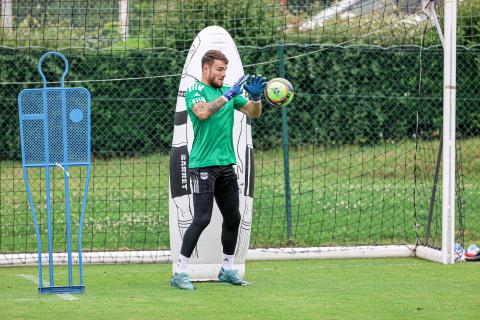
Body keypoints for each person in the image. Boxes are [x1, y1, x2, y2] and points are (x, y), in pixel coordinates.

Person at [170, 49, 266, 290]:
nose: (224, 75)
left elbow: (254, 113)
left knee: (234, 217)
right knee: (202, 218)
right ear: (206, 69)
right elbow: (202, 113)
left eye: (226, 70)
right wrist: (229, 95)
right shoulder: (195, 91)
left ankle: (227, 268)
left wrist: (256, 99)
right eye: (219, 69)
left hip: (226, 166)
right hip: (203, 165)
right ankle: (180, 272)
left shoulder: (228, 92)